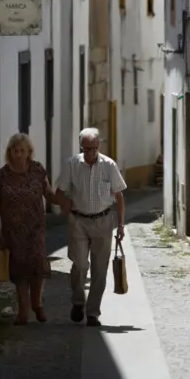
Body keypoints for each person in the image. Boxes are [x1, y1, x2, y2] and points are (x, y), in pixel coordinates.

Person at [54, 127, 127, 328]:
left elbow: (119, 196)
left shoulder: (109, 165)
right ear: (81, 148)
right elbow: (59, 191)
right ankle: (78, 301)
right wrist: (64, 205)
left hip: (103, 221)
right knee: (80, 264)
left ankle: (93, 312)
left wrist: (120, 225)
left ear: (98, 146)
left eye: (94, 149)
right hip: (78, 220)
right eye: (86, 149)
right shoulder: (72, 165)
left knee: (99, 270)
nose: (90, 153)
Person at [0, 132, 55, 324]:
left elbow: (48, 193)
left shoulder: (37, 170)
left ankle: (37, 304)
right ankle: (23, 311)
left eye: (22, 151)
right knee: (19, 272)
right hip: (13, 231)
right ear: (10, 152)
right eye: (15, 151)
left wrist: (64, 199)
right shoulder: (3, 175)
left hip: (36, 228)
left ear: (29, 152)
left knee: (37, 267)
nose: (18, 154)